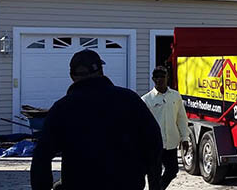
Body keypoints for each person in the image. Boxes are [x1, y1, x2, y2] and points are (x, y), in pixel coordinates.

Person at [30, 49, 163, 190]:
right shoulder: (129, 100)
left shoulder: (62, 108)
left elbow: (41, 158)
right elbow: (154, 142)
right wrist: (154, 184)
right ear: (101, 71)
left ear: (72, 76)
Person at [142, 67, 190, 190]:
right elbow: (142, 124)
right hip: (154, 145)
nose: (160, 80)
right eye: (157, 77)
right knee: (154, 175)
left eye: (162, 77)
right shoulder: (146, 99)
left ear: (167, 78)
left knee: (172, 170)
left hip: (171, 143)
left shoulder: (175, 96)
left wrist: (185, 138)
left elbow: (181, 118)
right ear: (153, 79)